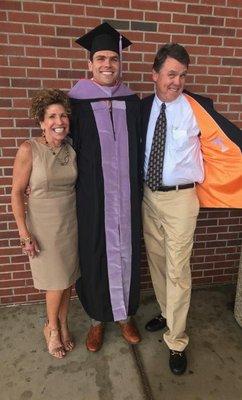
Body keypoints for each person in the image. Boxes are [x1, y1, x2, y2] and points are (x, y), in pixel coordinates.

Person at [141, 43, 242, 375]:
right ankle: (167, 313)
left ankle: (177, 340)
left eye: (182, 75)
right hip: (148, 197)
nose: (177, 81)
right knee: (157, 263)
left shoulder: (198, 108)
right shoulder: (141, 109)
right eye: (171, 74)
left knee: (178, 270)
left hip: (182, 201)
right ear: (155, 74)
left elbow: (228, 142)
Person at [68, 22, 142, 352]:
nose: (107, 64)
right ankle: (97, 320)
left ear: (119, 63)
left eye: (113, 58)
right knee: (93, 250)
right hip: (92, 198)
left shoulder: (133, 102)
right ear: (90, 64)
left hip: (126, 197)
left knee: (127, 251)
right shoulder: (76, 104)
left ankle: (125, 315)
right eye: (101, 58)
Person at [11, 89, 80, 359]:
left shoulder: (71, 148)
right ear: (41, 122)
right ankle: (51, 328)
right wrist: (24, 234)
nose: (58, 121)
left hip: (70, 222)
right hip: (43, 225)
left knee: (67, 280)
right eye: (51, 116)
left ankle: (63, 323)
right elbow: (16, 192)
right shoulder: (29, 149)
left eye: (63, 115)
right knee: (55, 281)